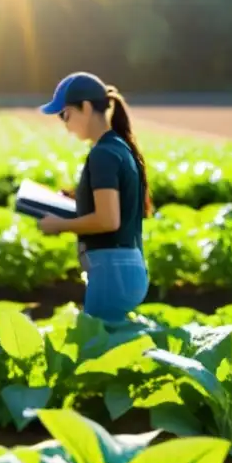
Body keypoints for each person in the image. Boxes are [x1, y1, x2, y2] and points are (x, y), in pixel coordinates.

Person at [36, 72, 152, 323]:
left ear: (85, 108)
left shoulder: (103, 154)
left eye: (64, 115)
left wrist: (59, 225)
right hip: (125, 268)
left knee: (96, 354)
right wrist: (76, 199)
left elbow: (108, 220)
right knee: (112, 350)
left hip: (112, 272)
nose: (64, 124)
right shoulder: (117, 147)